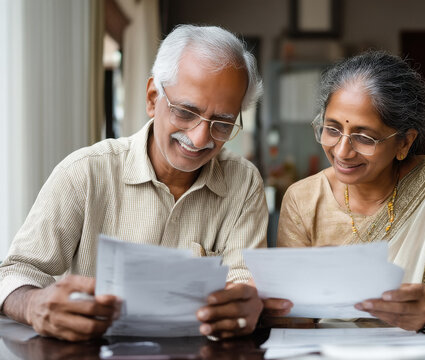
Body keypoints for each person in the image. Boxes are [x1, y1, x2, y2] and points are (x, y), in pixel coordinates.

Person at [0, 25, 267, 341]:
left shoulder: (243, 181)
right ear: (153, 98)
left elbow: (242, 279)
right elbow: (15, 272)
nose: (199, 139)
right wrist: (32, 304)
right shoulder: (86, 172)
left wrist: (247, 303)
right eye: (185, 112)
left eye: (222, 124)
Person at [266, 51, 425, 330]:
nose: (342, 151)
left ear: (404, 143)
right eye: (332, 129)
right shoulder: (303, 199)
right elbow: (290, 315)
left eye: (364, 137)